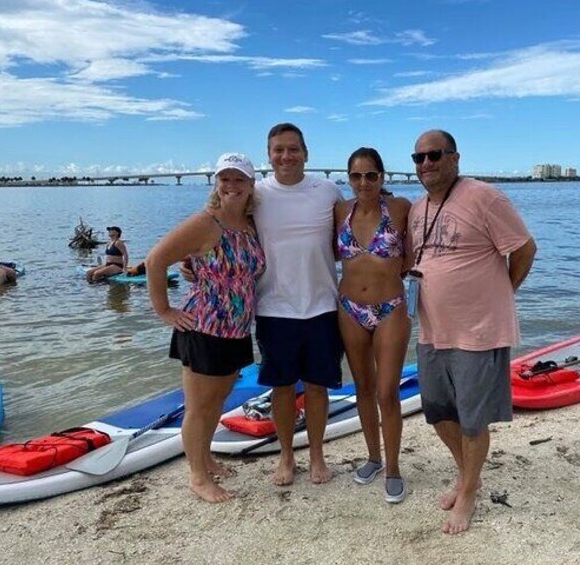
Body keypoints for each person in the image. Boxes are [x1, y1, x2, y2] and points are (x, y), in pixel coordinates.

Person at [180, 123, 344, 486]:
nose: (286, 156)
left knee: (317, 388)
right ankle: (287, 458)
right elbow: (220, 226)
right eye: (278, 150)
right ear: (268, 156)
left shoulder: (328, 191)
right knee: (282, 389)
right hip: (272, 308)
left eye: (293, 149)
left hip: (322, 306)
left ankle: (317, 456)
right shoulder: (257, 195)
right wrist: (192, 260)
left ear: (306, 153)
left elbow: (351, 236)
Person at [407, 130, 537, 534]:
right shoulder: (417, 209)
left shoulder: (484, 197)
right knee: (438, 413)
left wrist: (501, 294)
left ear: (455, 158)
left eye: (434, 155)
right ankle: (469, 477)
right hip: (432, 331)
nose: (426, 163)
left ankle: (467, 494)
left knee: (472, 421)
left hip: (478, 332)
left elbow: (525, 249)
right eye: (418, 157)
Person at [146, 152, 265, 503]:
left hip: (237, 329)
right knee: (199, 406)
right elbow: (155, 260)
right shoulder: (206, 223)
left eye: (239, 179)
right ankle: (197, 476)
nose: (231, 185)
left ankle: (207, 457)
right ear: (216, 183)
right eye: (224, 179)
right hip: (204, 327)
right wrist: (164, 310)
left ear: (250, 185)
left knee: (218, 399)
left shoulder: (248, 224)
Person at [335, 147, 412, 503]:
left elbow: (416, 254)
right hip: (349, 307)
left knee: (387, 392)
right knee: (362, 389)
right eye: (356, 176)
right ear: (348, 178)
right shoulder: (339, 211)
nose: (363, 182)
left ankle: (394, 467)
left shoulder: (400, 209)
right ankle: (373, 458)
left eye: (370, 175)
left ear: (382, 177)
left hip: (390, 308)